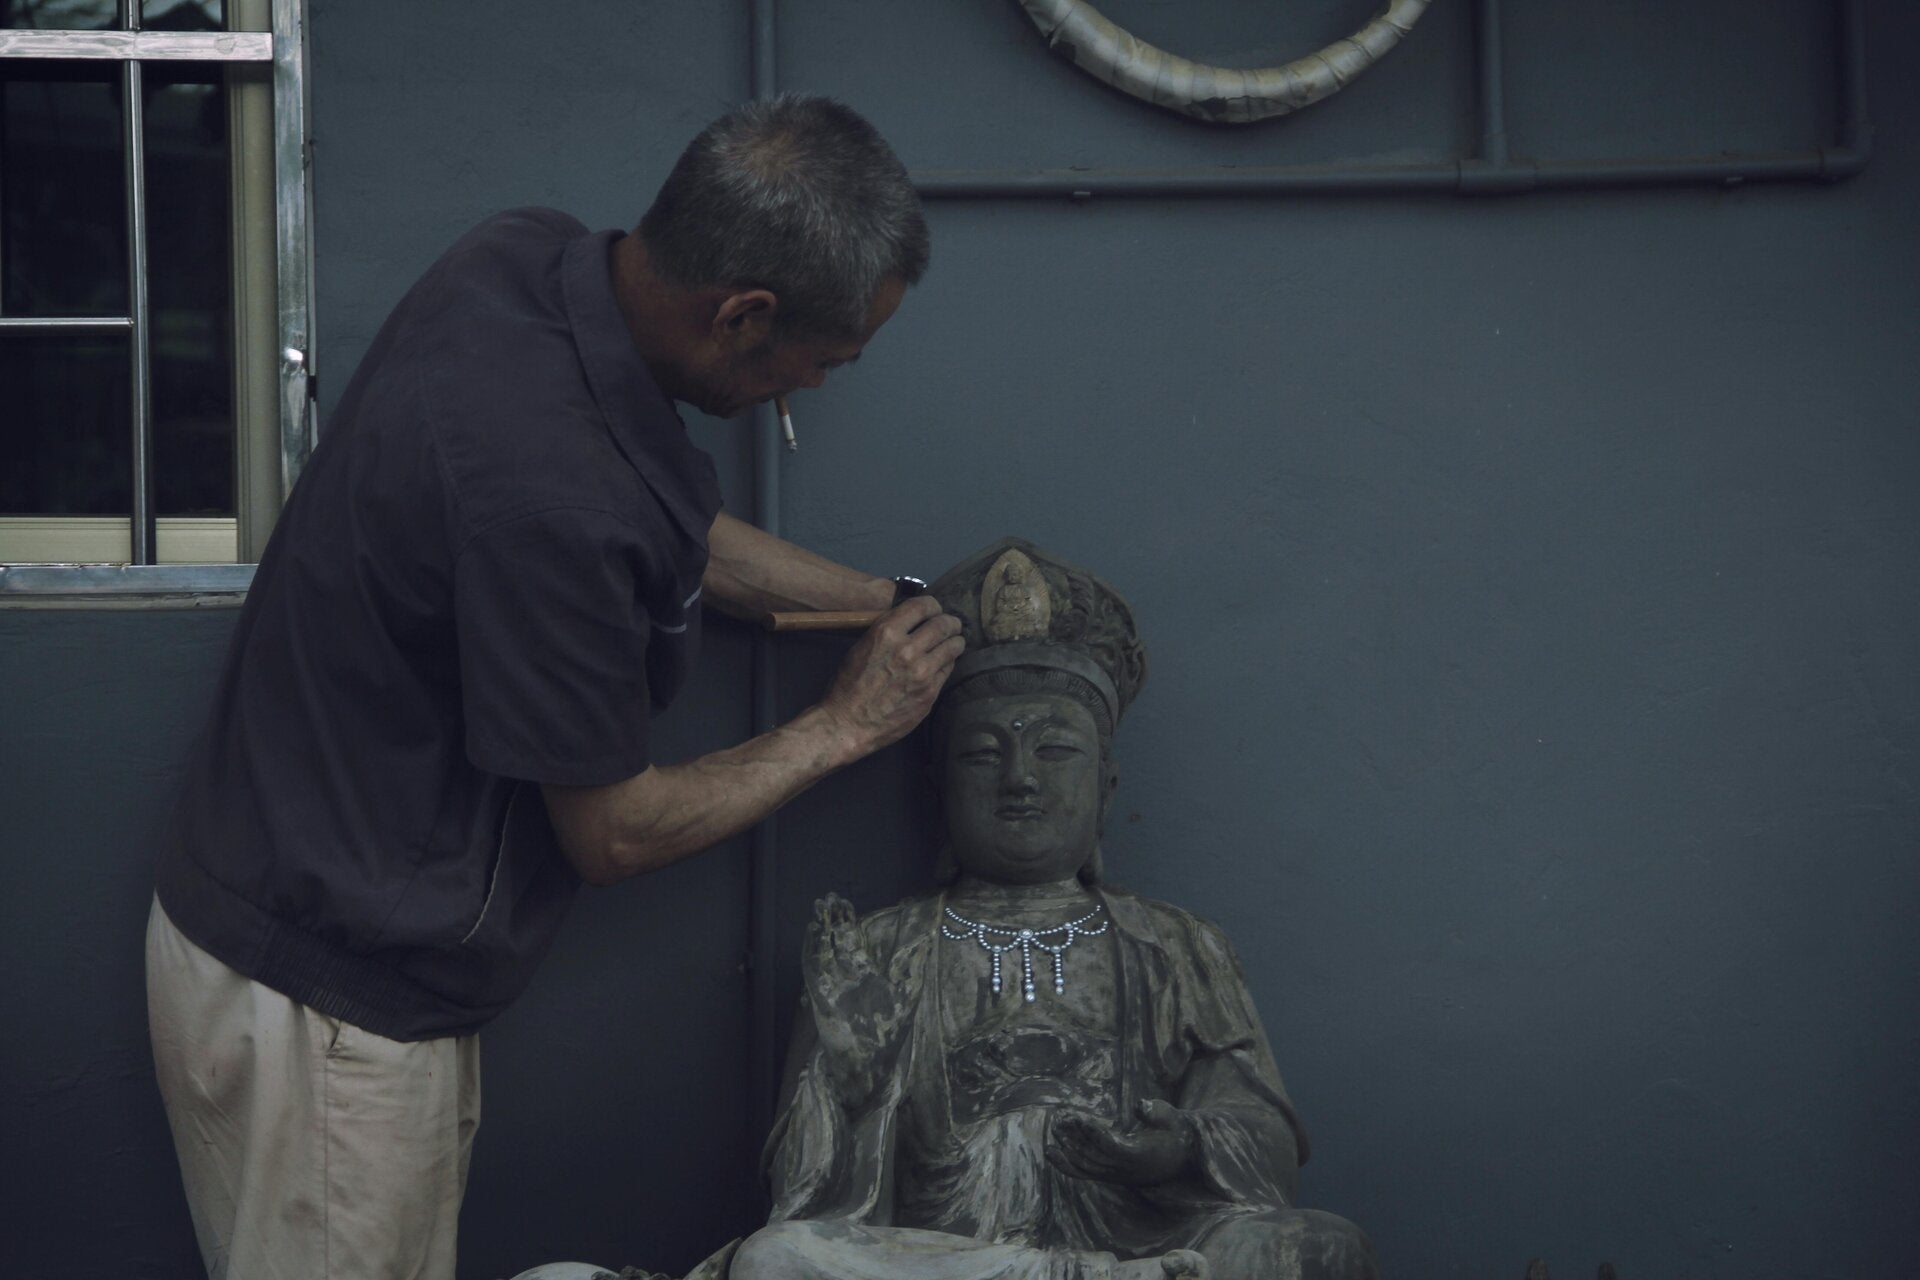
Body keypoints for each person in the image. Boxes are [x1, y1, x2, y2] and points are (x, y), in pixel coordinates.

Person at [144, 94, 964, 1280]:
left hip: (321, 922)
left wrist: (889, 601)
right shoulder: (551, 505)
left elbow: (655, 518)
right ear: (744, 315)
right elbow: (612, 828)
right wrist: (842, 726)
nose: (822, 386)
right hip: (323, 1009)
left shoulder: (521, 260)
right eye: (827, 360)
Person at [704, 539, 1378, 1280]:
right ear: (938, 789)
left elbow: (1267, 1152)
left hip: (1149, 1240)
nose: (1019, 779)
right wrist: (855, 1078)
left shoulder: (1178, 944)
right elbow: (802, 1195)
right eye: (982, 754)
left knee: (1317, 1245)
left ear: (1107, 789)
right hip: (949, 1256)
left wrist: (1180, 1147)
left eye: (1055, 752)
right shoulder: (876, 949)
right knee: (777, 1259)